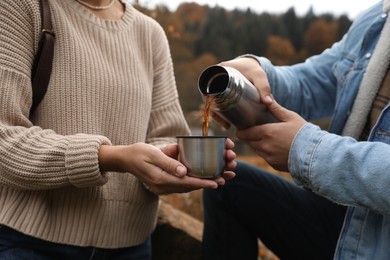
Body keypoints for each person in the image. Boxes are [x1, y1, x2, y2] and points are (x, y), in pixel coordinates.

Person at [0, 0, 236, 259]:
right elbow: (4, 137)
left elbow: (164, 135)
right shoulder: (22, 7)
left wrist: (171, 164)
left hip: (131, 247)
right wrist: (112, 157)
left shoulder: (150, 33)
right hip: (27, 243)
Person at [202, 0, 390, 259]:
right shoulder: (379, 19)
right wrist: (255, 72)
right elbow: (313, 82)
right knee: (227, 184)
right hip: (341, 217)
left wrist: (309, 152)